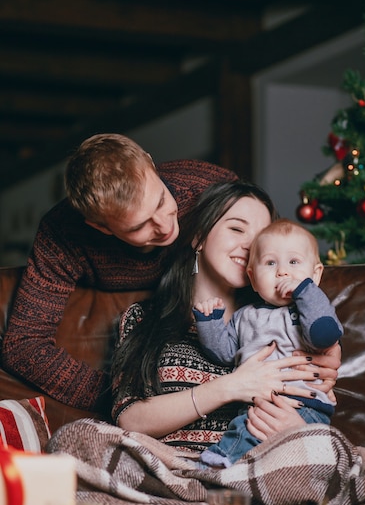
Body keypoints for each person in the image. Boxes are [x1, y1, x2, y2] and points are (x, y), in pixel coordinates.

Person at [1, 133, 238, 413]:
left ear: (150, 163)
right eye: (139, 227)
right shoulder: (61, 235)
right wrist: (124, 397)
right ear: (101, 227)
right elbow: (24, 345)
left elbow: (274, 255)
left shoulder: (210, 185)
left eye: (161, 200)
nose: (164, 227)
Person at [111, 181, 341, 452]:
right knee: (80, 435)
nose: (249, 246)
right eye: (236, 228)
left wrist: (298, 433)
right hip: (172, 466)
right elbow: (129, 418)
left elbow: (316, 386)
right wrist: (231, 386)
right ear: (199, 235)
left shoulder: (283, 322)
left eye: (259, 237)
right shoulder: (144, 318)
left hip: (265, 464)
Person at [193, 218, 343, 467]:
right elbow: (224, 353)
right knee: (247, 425)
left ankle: (222, 460)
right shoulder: (244, 316)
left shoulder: (307, 309)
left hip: (304, 405)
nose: (282, 272)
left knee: (250, 430)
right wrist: (209, 322)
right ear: (252, 277)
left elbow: (324, 335)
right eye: (270, 263)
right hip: (258, 402)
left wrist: (305, 291)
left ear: (315, 275)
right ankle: (235, 467)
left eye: (294, 262)